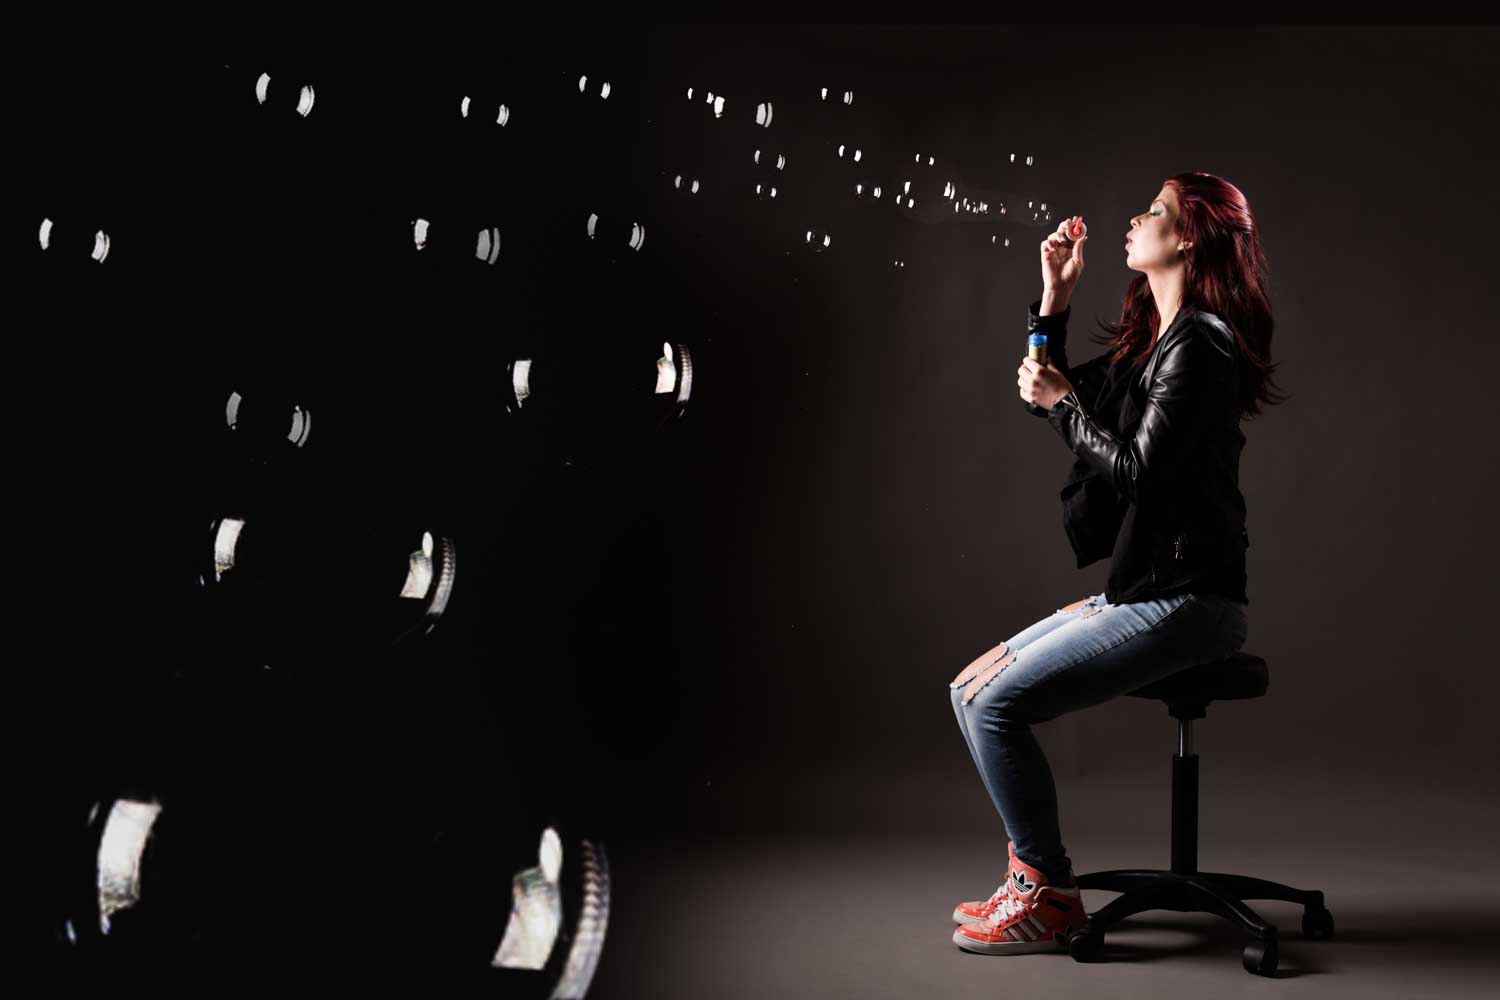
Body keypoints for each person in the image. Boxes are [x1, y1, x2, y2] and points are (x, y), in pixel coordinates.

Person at [948, 172, 1288, 956]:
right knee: (969, 691)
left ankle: (1047, 894)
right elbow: (1049, 397)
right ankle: (1036, 883)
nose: (1135, 219)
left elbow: (1133, 470)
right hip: (1147, 589)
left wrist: (1063, 405)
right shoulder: (1158, 341)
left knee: (995, 707)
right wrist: (1054, 300)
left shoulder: (1202, 343)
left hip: (1190, 605)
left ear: (1189, 236)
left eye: (1155, 210)